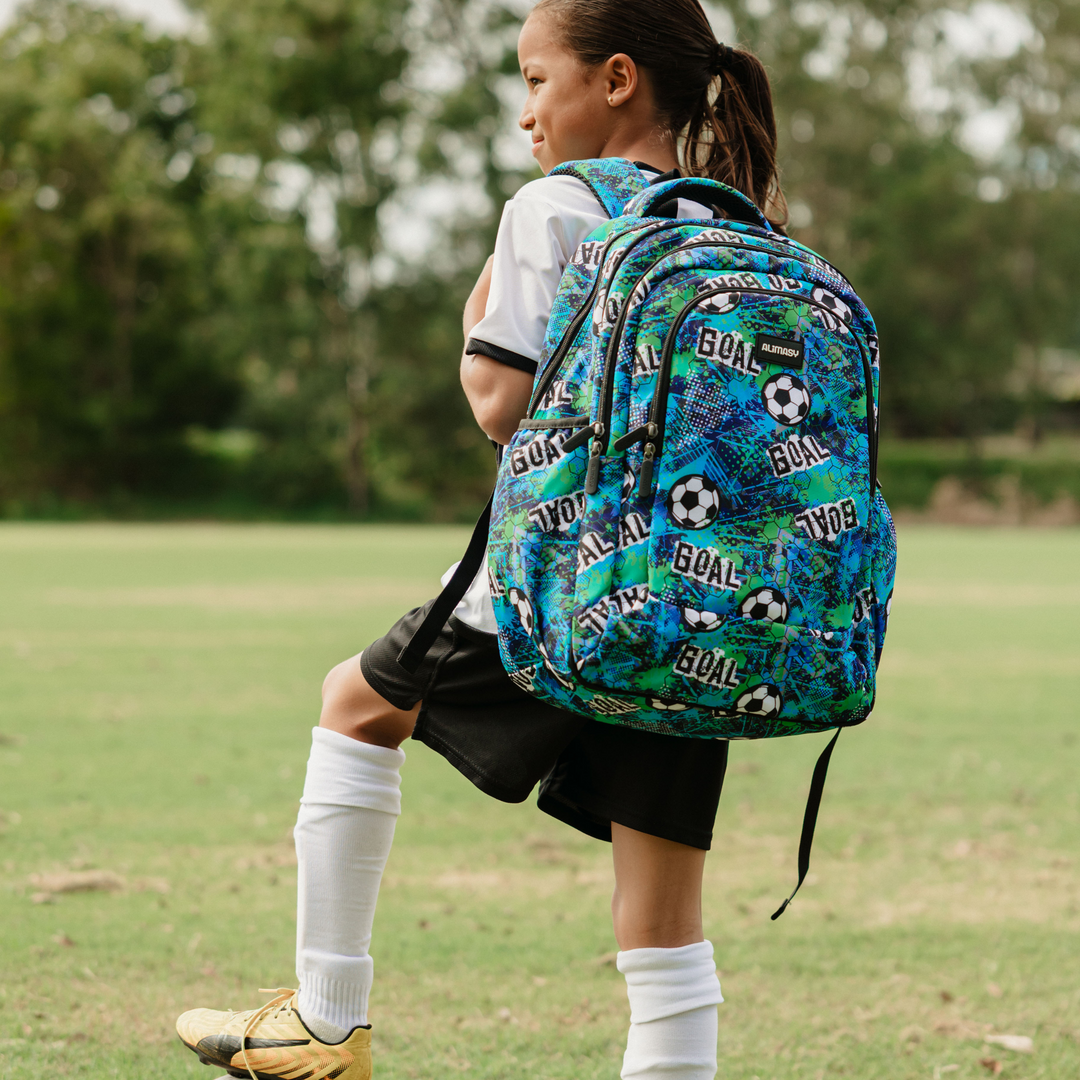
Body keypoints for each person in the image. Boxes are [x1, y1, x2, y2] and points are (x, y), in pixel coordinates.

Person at [176, 2, 788, 1078]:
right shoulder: (735, 224)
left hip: (557, 583)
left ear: (614, 79)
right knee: (662, 913)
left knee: (356, 706)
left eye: (536, 79)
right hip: (698, 604)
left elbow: (503, 405)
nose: (525, 113)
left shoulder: (556, 205)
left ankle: (327, 1021)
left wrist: (474, 325)